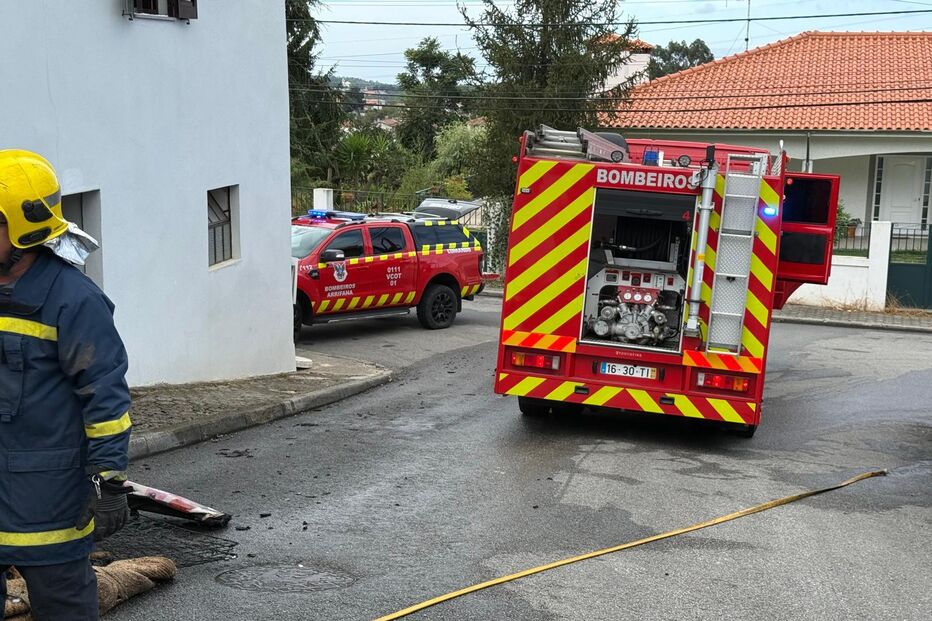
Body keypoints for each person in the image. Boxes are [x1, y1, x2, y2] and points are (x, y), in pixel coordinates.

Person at [0, 150, 132, 620]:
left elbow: (107, 401)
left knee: (65, 609)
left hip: (48, 503)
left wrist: (108, 483)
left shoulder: (74, 302)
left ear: (23, 231)